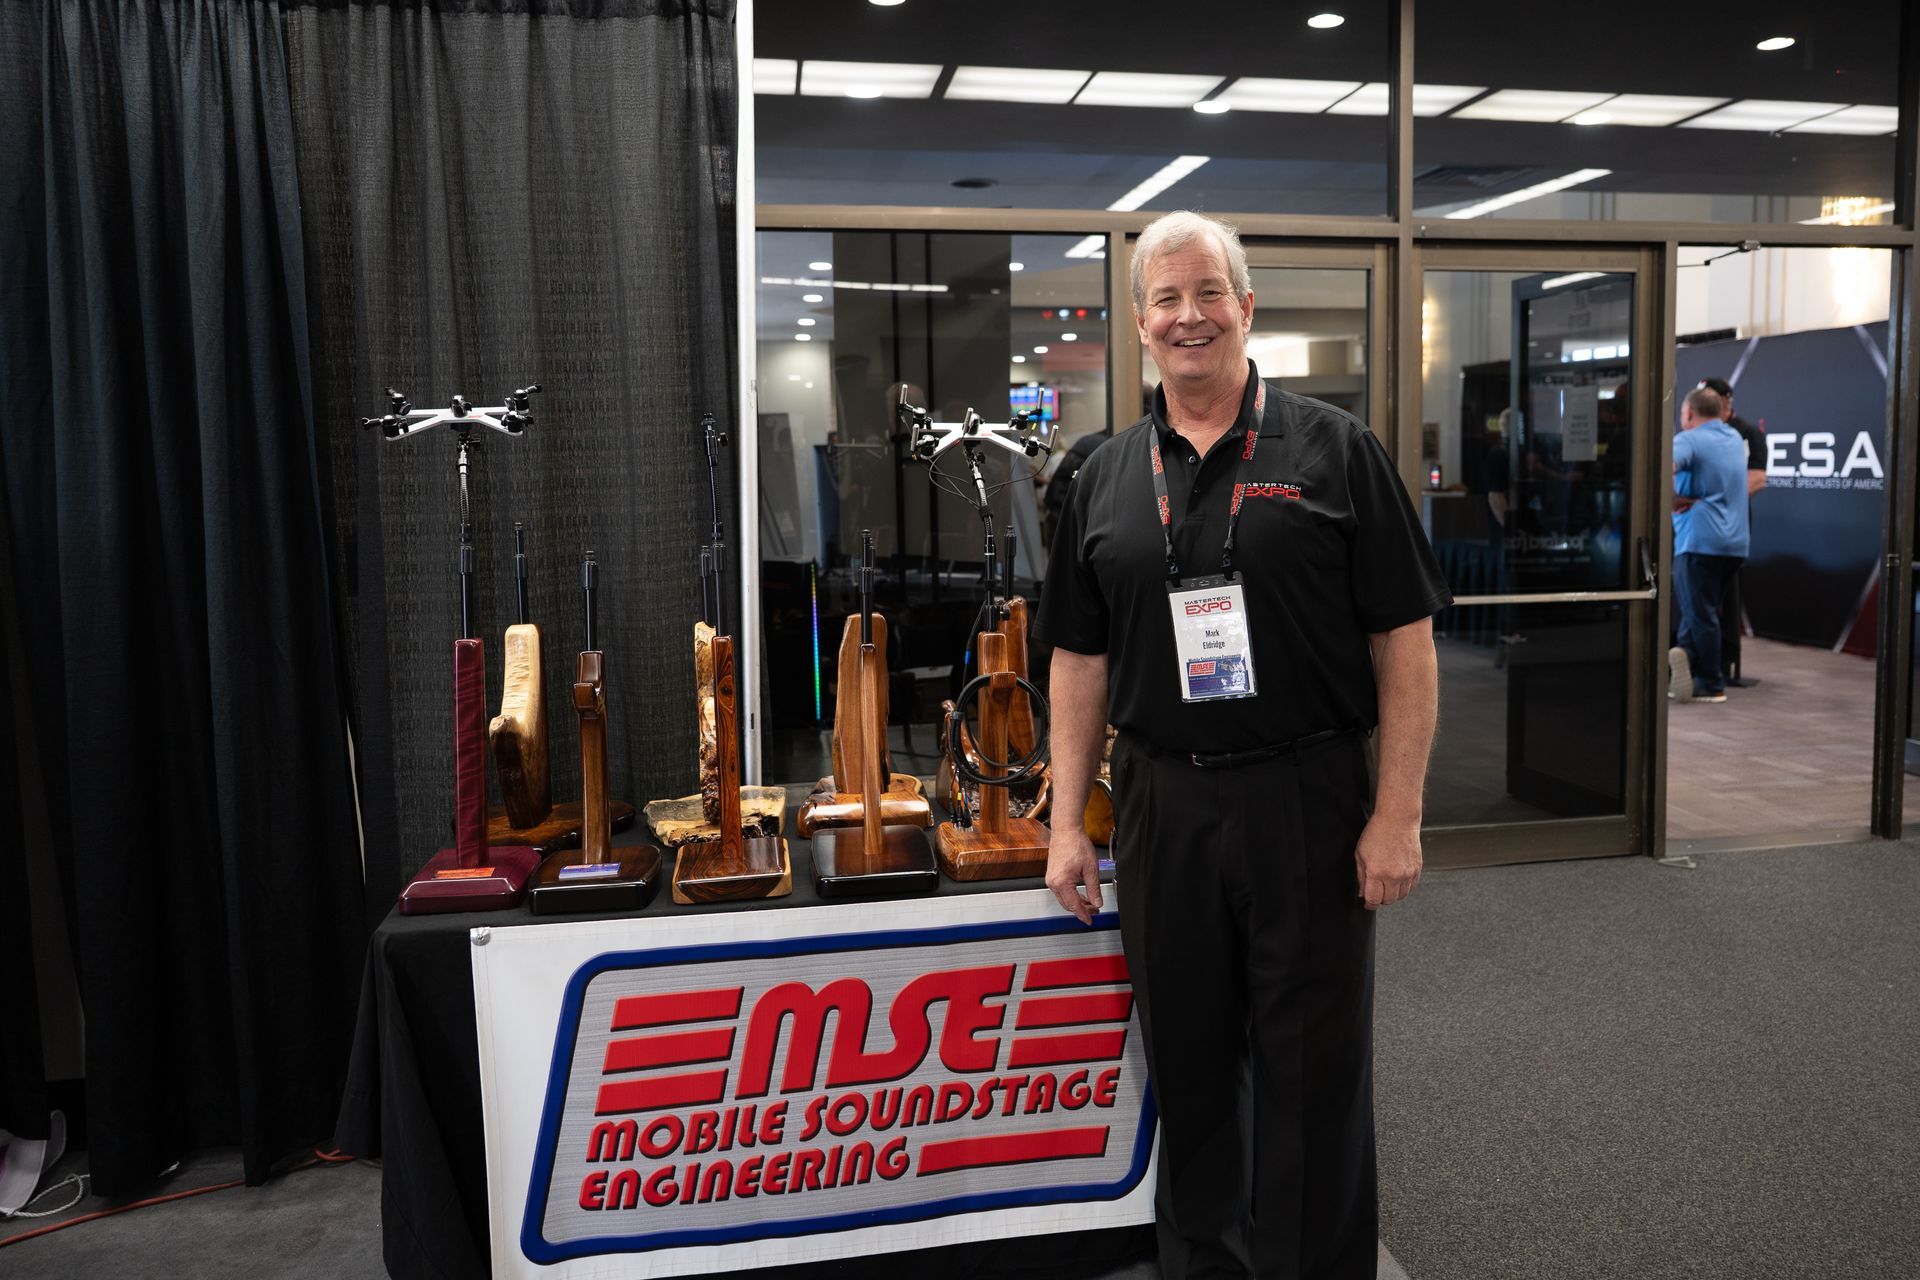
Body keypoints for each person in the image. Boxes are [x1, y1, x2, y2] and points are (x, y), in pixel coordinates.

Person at [1035, 210, 1450, 1279]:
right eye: (1165, 299)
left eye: (1207, 293)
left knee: (1312, 1077)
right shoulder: (1104, 475)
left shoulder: (1334, 451)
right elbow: (1078, 660)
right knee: (1190, 1072)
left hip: (1305, 799)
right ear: (1138, 324)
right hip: (1163, 807)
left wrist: (1396, 814)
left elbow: (1403, 641)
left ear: (1245, 305)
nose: (1188, 316)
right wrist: (1067, 822)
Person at [1669, 385, 1751, 704]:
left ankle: (1711, 682)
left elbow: (1665, 466)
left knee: (1700, 613)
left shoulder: (1688, 439)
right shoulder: (1732, 439)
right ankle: (1685, 656)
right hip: (1734, 545)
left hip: (1698, 540)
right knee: (1702, 609)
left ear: (1689, 413)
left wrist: (1671, 499)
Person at [1699, 377, 1765, 686]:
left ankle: (1724, 662)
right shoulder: (1697, 433)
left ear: (1726, 400)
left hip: (1732, 527)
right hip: (1698, 529)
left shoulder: (1746, 432)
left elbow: (1757, 478)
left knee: (1727, 591)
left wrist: (1720, 499)